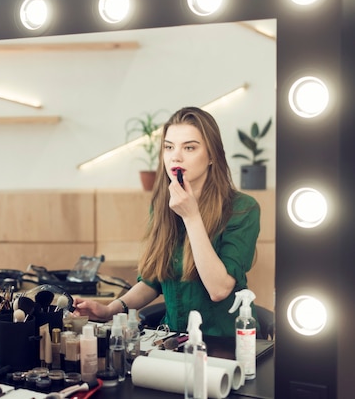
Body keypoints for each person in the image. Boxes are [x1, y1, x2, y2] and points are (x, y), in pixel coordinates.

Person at [74, 107, 260, 337]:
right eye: (169, 147)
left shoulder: (243, 209)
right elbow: (154, 279)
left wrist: (191, 217)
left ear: (212, 156)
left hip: (226, 343)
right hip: (173, 339)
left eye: (189, 147)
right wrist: (110, 310)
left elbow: (219, 289)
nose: (176, 156)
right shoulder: (163, 205)